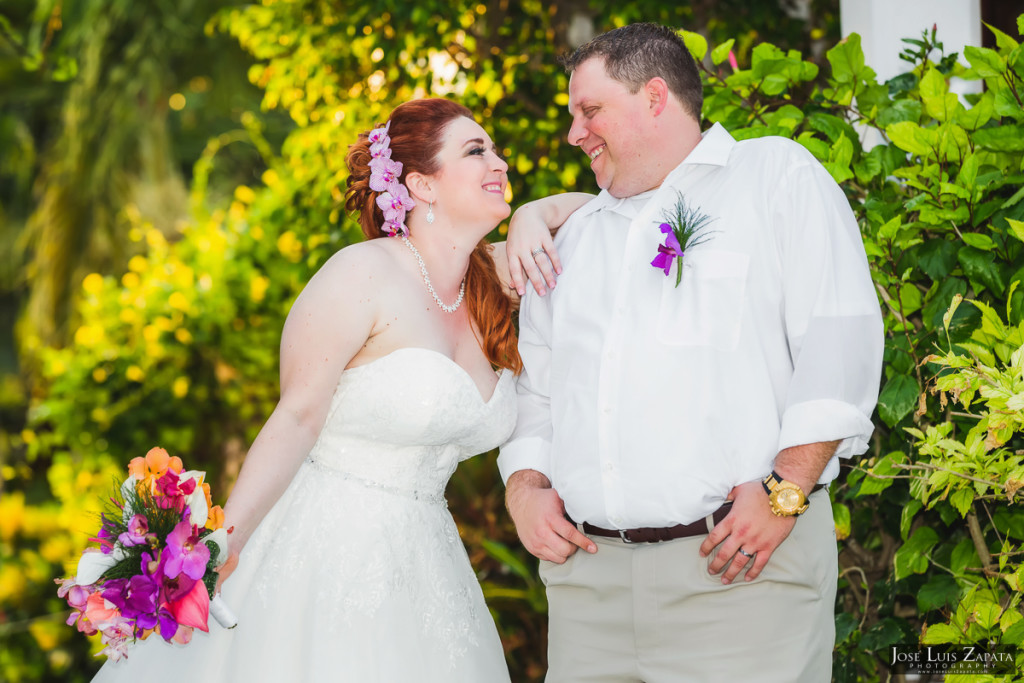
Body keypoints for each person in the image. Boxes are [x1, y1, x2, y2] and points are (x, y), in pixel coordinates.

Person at [92, 98, 588, 682]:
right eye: (476, 151)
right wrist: (222, 546)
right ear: (422, 185)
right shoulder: (362, 274)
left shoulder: (498, 282)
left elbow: (606, 212)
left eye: (496, 149)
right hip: (325, 551)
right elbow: (296, 418)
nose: (499, 162)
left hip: (429, 563)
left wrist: (534, 213)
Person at [499, 23, 884, 682]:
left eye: (589, 111)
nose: (574, 133)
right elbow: (536, 388)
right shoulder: (574, 240)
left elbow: (837, 337)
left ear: (655, 98)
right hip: (588, 592)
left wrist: (788, 489)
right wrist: (524, 485)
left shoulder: (774, 177)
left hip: (739, 575)